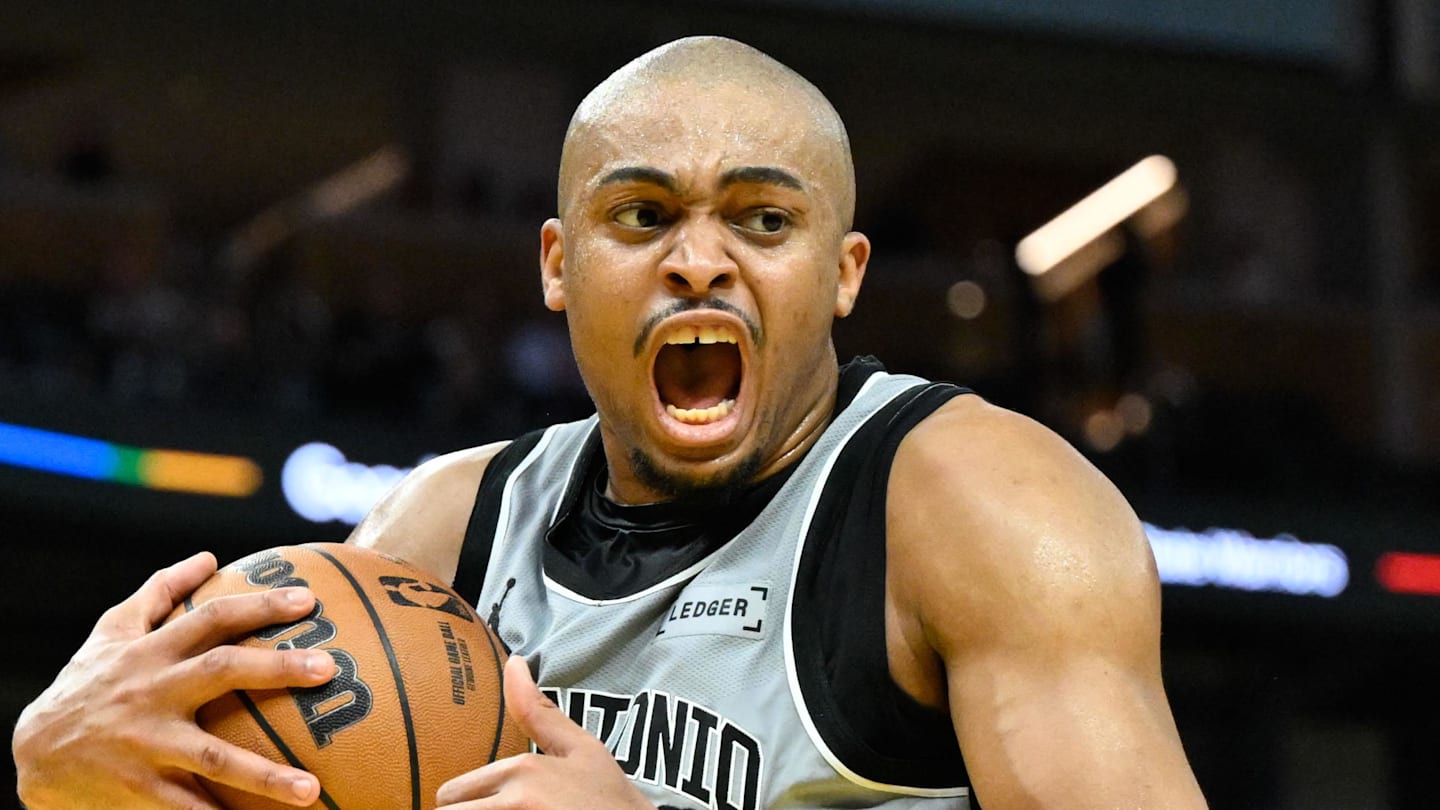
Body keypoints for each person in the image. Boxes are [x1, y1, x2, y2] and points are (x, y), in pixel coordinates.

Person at [12, 36, 1207, 809]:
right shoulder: (438, 535)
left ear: (844, 274)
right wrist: (65, 772)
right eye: (641, 217)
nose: (700, 261)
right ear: (558, 264)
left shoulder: (981, 509)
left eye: (762, 222)